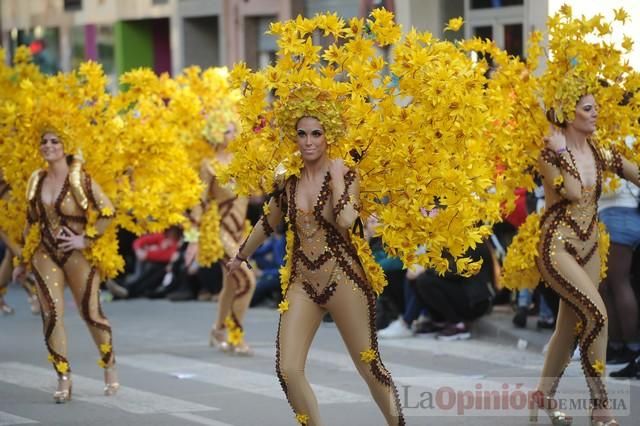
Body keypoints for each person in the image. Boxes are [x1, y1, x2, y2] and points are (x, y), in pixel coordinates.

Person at [227, 112, 405, 425]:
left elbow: (347, 221)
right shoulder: (288, 178)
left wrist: (337, 176)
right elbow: (269, 220)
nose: (309, 141)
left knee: (370, 367)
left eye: (316, 134)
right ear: (294, 137)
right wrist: (241, 256)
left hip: (345, 280)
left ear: (328, 136)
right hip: (302, 282)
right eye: (302, 134)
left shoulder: (346, 173)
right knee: (288, 370)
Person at [531, 94, 640, 426]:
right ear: (568, 114)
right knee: (597, 314)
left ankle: (543, 397)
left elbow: (636, 173)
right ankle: (601, 407)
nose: (597, 113)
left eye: (596, 106)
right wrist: (563, 150)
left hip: (590, 248)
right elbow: (575, 192)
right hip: (557, 247)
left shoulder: (600, 150)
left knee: (568, 328)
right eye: (589, 108)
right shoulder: (549, 152)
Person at [12, 130, 119, 403]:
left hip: (77, 254)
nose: (48, 146)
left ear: (66, 147)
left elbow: (108, 211)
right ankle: (63, 376)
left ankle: (109, 365)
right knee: (51, 314)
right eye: (44, 141)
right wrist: (22, 260)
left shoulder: (80, 178)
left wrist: (86, 238)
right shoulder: (36, 180)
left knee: (91, 313)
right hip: (44, 253)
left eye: (54, 141)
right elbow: (30, 223)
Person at [186, 121, 256, 355]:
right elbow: (199, 202)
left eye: (235, 129)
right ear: (215, 133)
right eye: (227, 130)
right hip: (220, 231)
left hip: (241, 232)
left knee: (231, 283)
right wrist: (193, 239)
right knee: (247, 282)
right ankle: (236, 336)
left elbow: (257, 193)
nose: (233, 134)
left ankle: (218, 331)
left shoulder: (243, 160)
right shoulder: (209, 165)